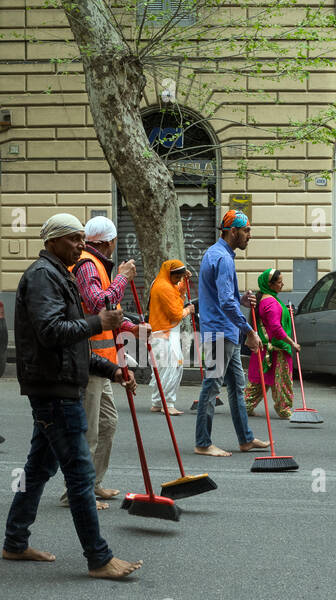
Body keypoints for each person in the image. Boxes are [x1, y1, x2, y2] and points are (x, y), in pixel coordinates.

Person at [3, 213, 142, 580]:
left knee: (38, 469)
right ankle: (99, 558)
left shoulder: (59, 274)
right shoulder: (42, 276)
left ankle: (14, 542)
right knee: (80, 474)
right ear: (52, 242)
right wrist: (100, 323)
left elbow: (73, 342)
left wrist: (108, 369)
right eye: (74, 240)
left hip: (58, 383)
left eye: (83, 239)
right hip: (54, 390)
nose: (82, 246)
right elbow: (52, 332)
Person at [66, 215, 143, 509]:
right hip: (90, 361)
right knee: (90, 432)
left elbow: (105, 315)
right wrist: (123, 277)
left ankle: (93, 483)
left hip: (105, 361)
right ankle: (78, 493)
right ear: (109, 242)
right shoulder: (87, 264)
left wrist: (128, 329)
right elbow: (98, 303)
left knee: (108, 424)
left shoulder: (96, 264)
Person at [194, 209, 266, 457]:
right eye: (246, 230)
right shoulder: (223, 258)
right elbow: (224, 303)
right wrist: (249, 331)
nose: (249, 235)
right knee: (212, 386)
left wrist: (241, 299)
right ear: (232, 231)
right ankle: (203, 443)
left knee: (236, 386)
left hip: (224, 332)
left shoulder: (217, 254)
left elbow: (224, 298)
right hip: (219, 334)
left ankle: (245, 439)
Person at [245, 267, 298, 419]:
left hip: (266, 348)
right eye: (279, 282)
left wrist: (287, 312)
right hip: (276, 348)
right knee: (282, 380)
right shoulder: (271, 302)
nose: (282, 285)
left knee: (260, 380)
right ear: (271, 284)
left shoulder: (267, 298)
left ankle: (246, 405)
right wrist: (292, 343)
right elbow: (275, 328)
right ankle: (284, 409)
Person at [148, 259, 192, 415]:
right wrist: (188, 310)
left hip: (159, 331)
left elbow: (177, 291)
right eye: (177, 277)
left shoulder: (159, 282)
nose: (178, 281)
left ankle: (157, 402)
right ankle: (168, 403)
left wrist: (184, 281)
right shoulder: (165, 287)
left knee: (161, 369)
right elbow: (175, 314)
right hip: (166, 332)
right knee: (173, 367)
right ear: (169, 274)